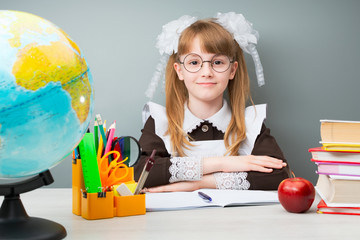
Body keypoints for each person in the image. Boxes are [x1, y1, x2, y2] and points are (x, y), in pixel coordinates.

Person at [134, 12, 291, 193]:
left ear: (232, 70)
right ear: (179, 71)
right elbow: (140, 172)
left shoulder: (250, 124)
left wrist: (200, 183)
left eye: (217, 62)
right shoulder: (161, 121)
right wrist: (223, 163)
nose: (206, 72)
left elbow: (279, 175)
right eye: (194, 62)